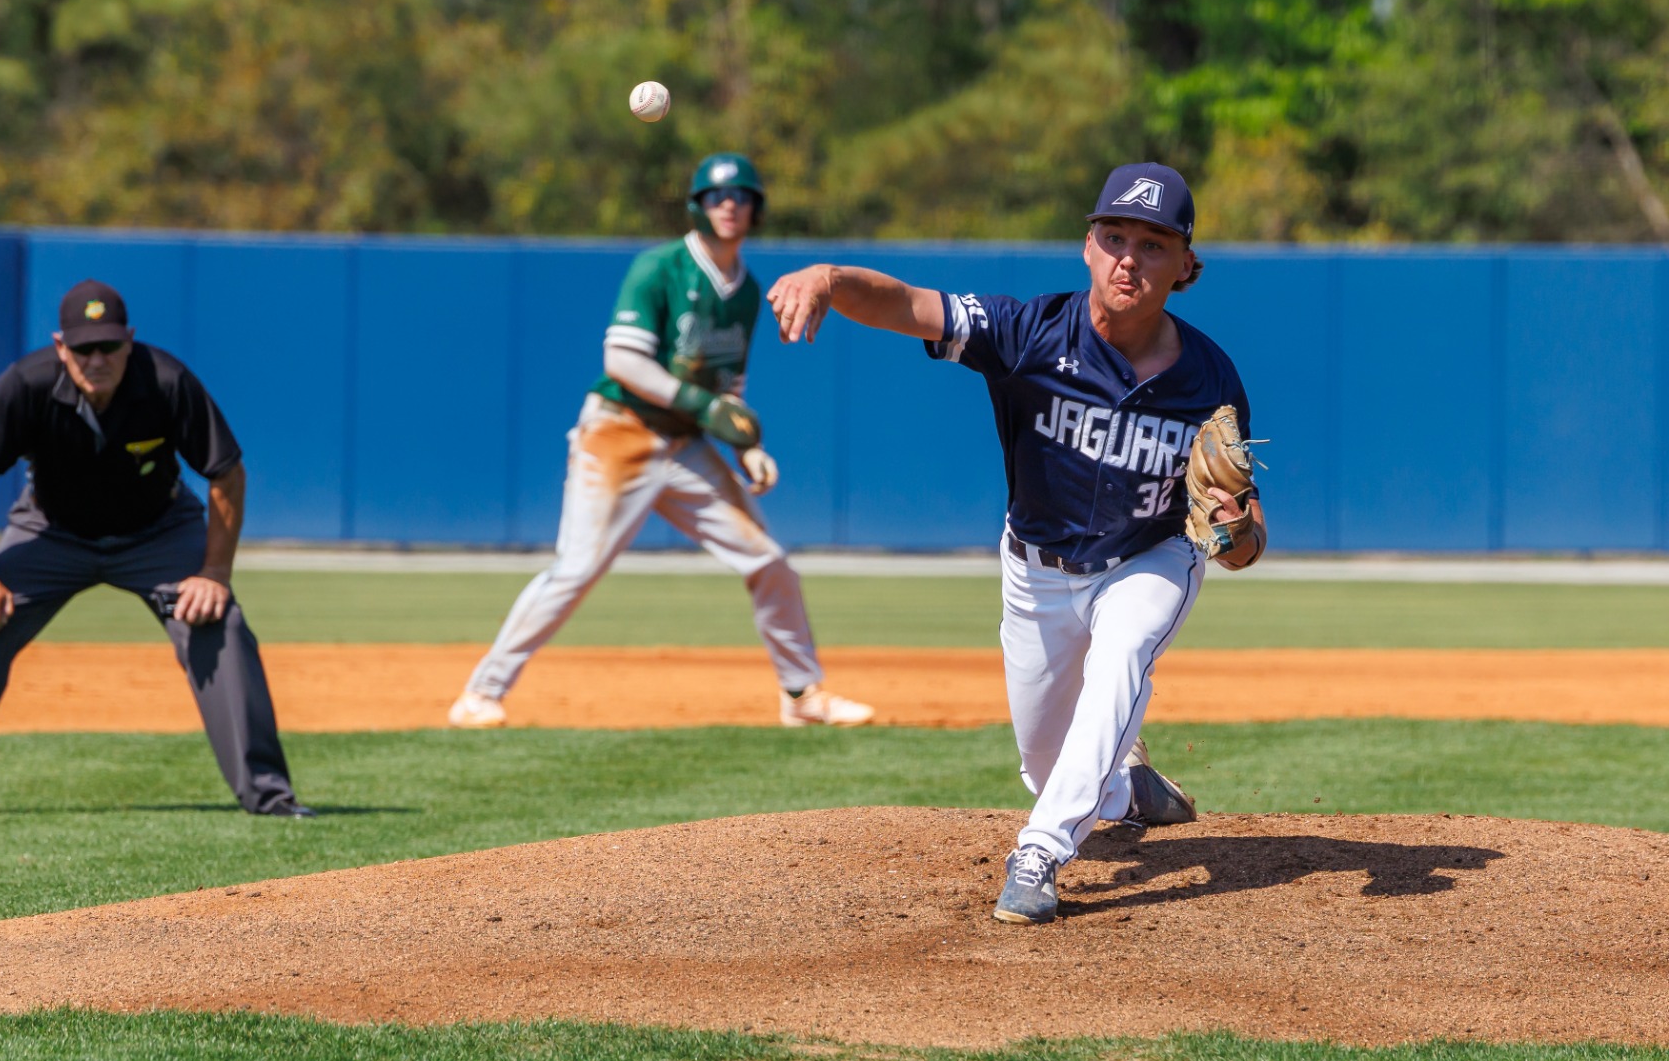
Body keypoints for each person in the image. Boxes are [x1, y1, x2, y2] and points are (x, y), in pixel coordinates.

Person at [765, 163, 1265, 923]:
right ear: (1088, 248)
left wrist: (1235, 533)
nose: (1129, 256)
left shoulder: (1210, 376)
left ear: (1185, 266)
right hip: (1035, 570)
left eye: (1153, 244)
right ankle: (1131, 791)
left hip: (1150, 557)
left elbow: (1244, 534)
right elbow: (909, 305)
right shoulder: (1028, 331)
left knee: (1123, 656)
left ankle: (1037, 854)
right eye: (1114, 236)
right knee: (1044, 760)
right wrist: (831, 278)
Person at [0, 280, 315, 817]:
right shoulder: (25, 385)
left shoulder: (167, 381)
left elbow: (226, 473)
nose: (98, 359)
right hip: (52, 531)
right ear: (60, 346)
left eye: (110, 346)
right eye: (84, 347)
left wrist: (214, 571)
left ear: (130, 342)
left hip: (157, 531)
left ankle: (269, 795)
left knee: (218, 621)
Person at [449, 153, 874, 730]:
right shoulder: (661, 267)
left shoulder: (746, 292)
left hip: (685, 445)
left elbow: (726, 387)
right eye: (718, 196)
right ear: (697, 206)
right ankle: (480, 693)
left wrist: (744, 444)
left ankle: (801, 696)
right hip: (619, 432)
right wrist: (708, 409)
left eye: (742, 196)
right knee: (576, 568)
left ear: (755, 209)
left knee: (770, 562)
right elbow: (622, 359)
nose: (730, 205)